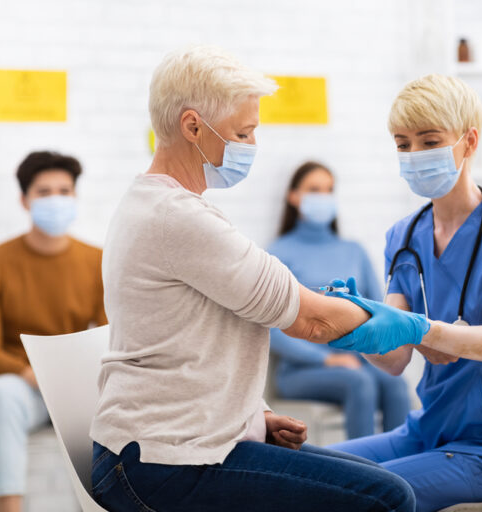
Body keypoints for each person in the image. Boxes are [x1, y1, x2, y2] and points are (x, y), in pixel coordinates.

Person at [87, 45, 434, 512]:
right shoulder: (178, 219)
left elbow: (187, 344)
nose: (251, 145)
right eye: (243, 132)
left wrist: (254, 416)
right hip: (161, 464)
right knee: (389, 499)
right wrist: (420, 328)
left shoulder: (157, 205)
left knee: (380, 482)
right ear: (192, 127)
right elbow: (310, 321)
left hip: (170, 446)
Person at [328, 74, 482, 512]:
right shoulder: (405, 234)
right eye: (403, 143)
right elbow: (394, 360)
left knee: (356, 496)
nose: (414, 155)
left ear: (469, 142)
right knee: (307, 473)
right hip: (428, 431)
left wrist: (422, 330)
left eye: (429, 140)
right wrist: (355, 326)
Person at [0, 151, 107, 512]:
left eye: (64, 190)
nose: (56, 199)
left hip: (76, 387)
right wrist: (36, 376)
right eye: (44, 192)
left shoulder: (96, 261)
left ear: (75, 196)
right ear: (24, 200)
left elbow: (109, 338)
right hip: (22, 387)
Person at [268, 161, 410, 439]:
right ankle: (366, 476)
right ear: (294, 196)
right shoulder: (277, 253)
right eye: (314, 189)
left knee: (396, 384)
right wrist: (326, 360)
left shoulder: (353, 251)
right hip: (300, 371)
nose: (323, 196)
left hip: (356, 361)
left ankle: (400, 472)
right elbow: (271, 329)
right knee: (360, 383)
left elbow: (377, 310)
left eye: (329, 190)